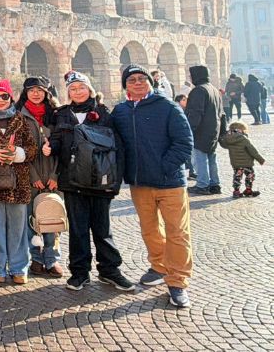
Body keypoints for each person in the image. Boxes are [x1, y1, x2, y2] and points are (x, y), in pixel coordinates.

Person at [112, 64, 194, 308]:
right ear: (125, 85)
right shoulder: (121, 112)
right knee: (150, 229)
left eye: (141, 78)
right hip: (140, 183)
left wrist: (164, 167)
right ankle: (159, 266)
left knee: (177, 232)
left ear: (150, 82)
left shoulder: (167, 107)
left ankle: (178, 281)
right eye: (131, 80)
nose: (137, 83)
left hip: (170, 182)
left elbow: (184, 142)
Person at [52, 71, 134, 292]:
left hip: (100, 181)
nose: (78, 92)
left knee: (102, 228)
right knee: (78, 230)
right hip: (72, 181)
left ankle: (110, 270)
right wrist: (51, 147)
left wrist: (115, 182)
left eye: (81, 87)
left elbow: (119, 149)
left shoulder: (104, 113)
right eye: (73, 89)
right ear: (68, 92)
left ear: (89, 89)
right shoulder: (62, 115)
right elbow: (58, 140)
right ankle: (79, 273)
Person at [0, 80, 38, 285]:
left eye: (5, 96)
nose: (1, 100)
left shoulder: (20, 119)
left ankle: (19, 267)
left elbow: (32, 149)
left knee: (18, 228)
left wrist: (17, 154)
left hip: (18, 182)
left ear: (11, 98)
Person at [16, 76, 61, 278]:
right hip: (29, 176)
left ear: (46, 92)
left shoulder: (56, 115)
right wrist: (32, 174)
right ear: (25, 92)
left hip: (52, 174)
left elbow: (64, 147)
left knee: (52, 217)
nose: (36, 93)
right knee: (31, 220)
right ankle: (35, 258)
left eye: (40, 90)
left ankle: (52, 259)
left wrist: (55, 175)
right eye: (32, 90)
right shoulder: (19, 116)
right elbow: (18, 148)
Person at [184, 65, 225, 196]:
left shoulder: (199, 90)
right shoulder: (213, 89)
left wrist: (189, 130)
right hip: (214, 129)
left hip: (201, 131)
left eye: (191, 75)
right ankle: (214, 184)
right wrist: (222, 132)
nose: (190, 78)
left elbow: (195, 113)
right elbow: (222, 113)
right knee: (211, 157)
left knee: (200, 157)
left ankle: (202, 185)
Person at [218, 121, 265, 197]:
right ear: (241, 129)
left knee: (237, 177)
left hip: (236, 164)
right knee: (250, 175)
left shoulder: (228, 139)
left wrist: (221, 138)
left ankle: (236, 191)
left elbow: (223, 145)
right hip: (247, 163)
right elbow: (252, 150)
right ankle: (248, 190)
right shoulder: (243, 138)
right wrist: (260, 159)